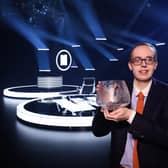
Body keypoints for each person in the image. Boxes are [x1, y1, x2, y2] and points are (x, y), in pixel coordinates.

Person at [92, 42, 168, 168]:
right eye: (137, 60)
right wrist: (105, 104)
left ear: (155, 65)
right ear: (130, 65)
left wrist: (131, 116)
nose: (143, 64)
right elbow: (98, 131)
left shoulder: (165, 94)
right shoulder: (118, 90)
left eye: (149, 60)